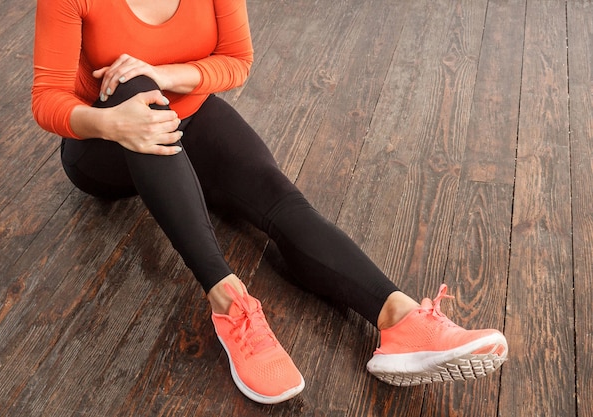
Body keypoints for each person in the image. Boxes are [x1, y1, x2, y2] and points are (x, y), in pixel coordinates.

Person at [32, 0, 508, 405]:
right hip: (101, 142)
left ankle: (399, 318)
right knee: (132, 84)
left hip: (189, 115)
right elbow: (46, 98)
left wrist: (162, 72)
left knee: (280, 200)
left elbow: (236, 60)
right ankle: (230, 303)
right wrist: (116, 123)